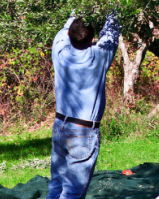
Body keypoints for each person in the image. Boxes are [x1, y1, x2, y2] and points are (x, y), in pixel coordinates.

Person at [47, 11, 121, 199]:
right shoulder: (99, 56)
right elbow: (112, 32)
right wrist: (114, 6)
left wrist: (77, 11)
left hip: (60, 126)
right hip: (83, 131)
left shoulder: (59, 51)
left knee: (56, 187)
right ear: (93, 39)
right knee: (71, 193)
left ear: (69, 34)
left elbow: (64, 30)